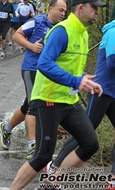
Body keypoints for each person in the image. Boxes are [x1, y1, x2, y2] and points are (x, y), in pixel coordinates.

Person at [9, 0, 105, 189]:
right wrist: (76, 81)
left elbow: (68, 65)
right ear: (81, 7)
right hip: (48, 99)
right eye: (94, 8)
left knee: (90, 144)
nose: (97, 12)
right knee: (42, 155)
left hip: (68, 100)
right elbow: (44, 63)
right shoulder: (62, 30)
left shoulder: (83, 33)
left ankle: (51, 184)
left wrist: (83, 78)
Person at [46, 19, 115, 188]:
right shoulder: (113, 32)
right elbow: (111, 62)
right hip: (101, 90)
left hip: (114, 92)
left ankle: (113, 177)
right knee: (87, 130)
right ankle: (54, 166)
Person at [0, 0, 67, 160]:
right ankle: (32, 146)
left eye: (64, 11)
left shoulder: (62, 28)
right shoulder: (37, 22)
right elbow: (17, 35)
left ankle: (6, 128)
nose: (62, 13)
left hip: (48, 72)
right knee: (34, 106)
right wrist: (31, 46)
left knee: (28, 104)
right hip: (32, 69)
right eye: (60, 10)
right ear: (50, 9)